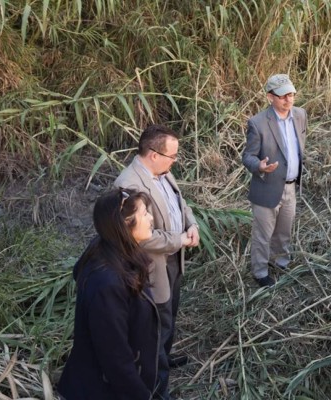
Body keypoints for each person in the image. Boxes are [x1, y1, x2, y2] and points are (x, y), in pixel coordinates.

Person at [114, 124, 199, 398]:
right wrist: (180, 241)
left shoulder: (162, 172)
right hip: (153, 268)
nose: (175, 161)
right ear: (153, 154)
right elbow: (143, 237)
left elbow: (180, 203)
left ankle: (165, 357)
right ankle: (157, 387)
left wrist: (192, 224)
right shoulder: (129, 184)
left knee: (169, 316)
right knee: (155, 329)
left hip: (173, 261)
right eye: (172, 156)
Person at [58, 188, 160, 399]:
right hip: (104, 390)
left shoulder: (112, 250)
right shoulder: (107, 284)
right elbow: (115, 356)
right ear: (124, 224)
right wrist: (140, 395)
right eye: (144, 214)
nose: (151, 218)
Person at [242, 74, 307, 287]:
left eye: (291, 94)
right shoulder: (258, 123)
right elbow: (248, 156)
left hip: (290, 187)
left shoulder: (300, 115)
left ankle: (281, 262)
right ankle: (260, 272)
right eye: (282, 96)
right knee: (263, 234)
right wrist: (259, 166)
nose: (288, 100)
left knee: (284, 230)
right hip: (267, 187)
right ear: (270, 97)